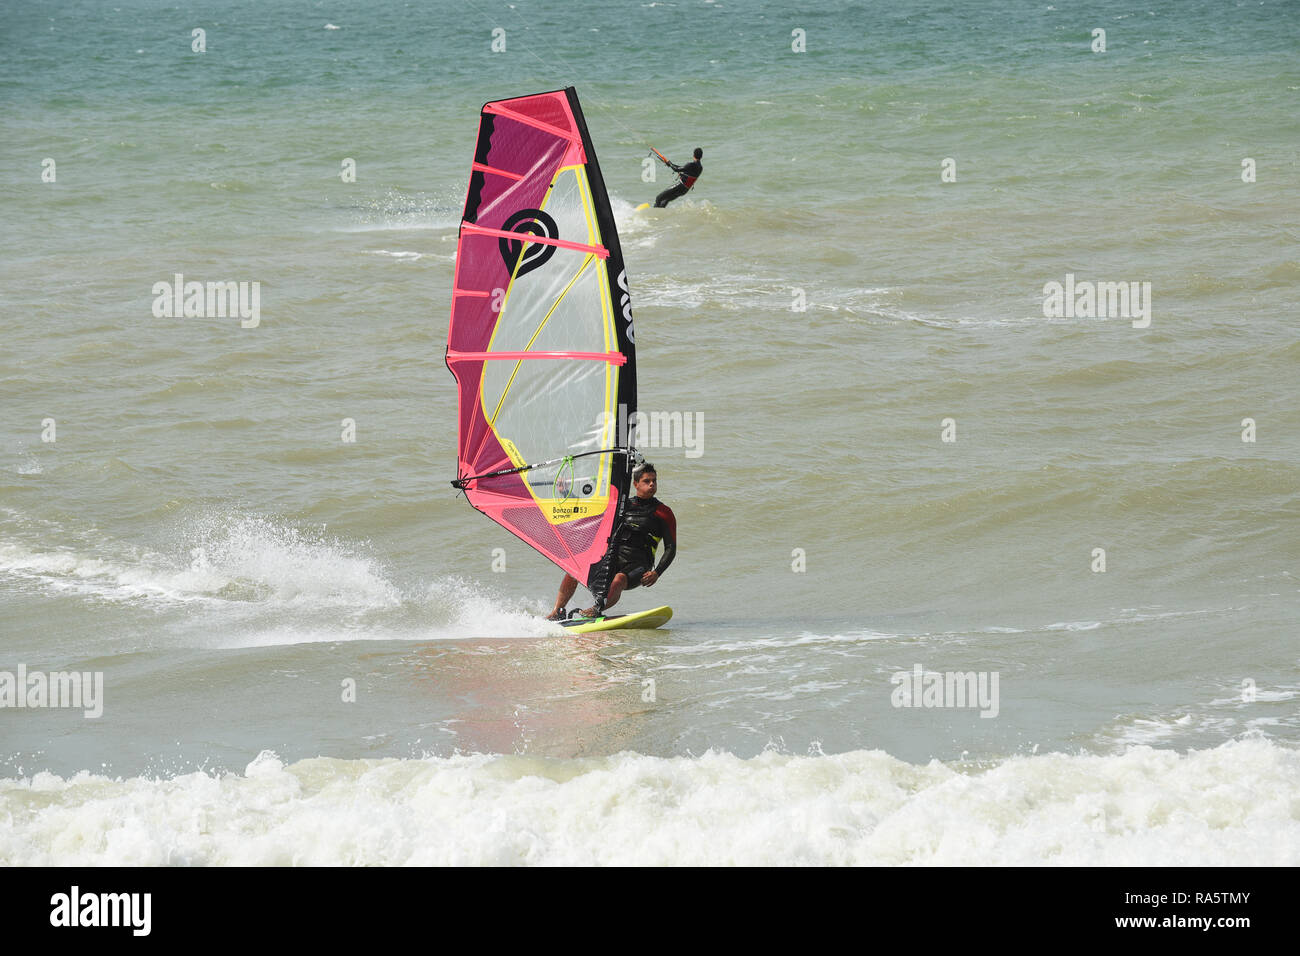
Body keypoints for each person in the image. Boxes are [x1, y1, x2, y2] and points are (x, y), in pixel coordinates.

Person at [547, 461, 677, 620]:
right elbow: (591, 514)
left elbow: (671, 547)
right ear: (636, 484)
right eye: (646, 481)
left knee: (619, 579)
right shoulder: (623, 506)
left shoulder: (663, 513)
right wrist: (566, 493)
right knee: (574, 570)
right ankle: (557, 612)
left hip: (639, 565)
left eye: (654, 481)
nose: (652, 484)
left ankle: (595, 610)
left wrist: (657, 572)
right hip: (613, 558)